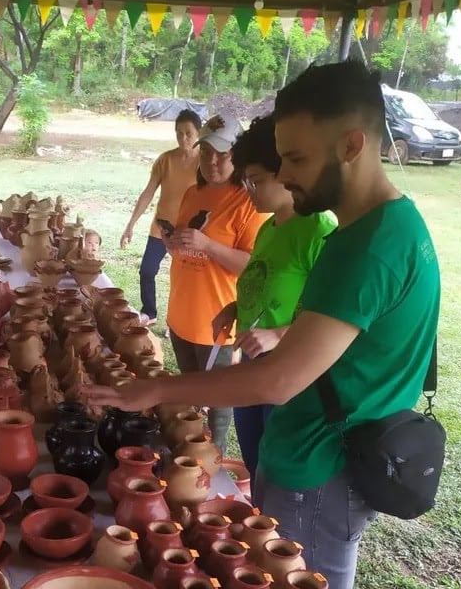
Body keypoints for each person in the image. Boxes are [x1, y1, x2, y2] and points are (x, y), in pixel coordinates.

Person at [85, 61, 440, 589]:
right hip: (334, 457)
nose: (287, 176)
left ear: (353, 144)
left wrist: (161, 386)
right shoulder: (396, 227)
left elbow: (278, 381)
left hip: (321, 467)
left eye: (299, 159)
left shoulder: (363, 245)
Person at [214, 115, 336, 489]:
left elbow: (331, 311)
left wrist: (279, 334)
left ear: (283, 174)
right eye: (246, 181)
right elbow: (263, 280)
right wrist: (235, 309)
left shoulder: (317, 229)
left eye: (256, 181)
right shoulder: (269, 226)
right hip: (253, 357)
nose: (249, 190)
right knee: (254, 454)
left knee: (276, 462)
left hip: (288, 367)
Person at [165, 114, 267, 454]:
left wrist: (208, 245)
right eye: (206, 150)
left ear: (237, 154)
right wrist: (175, 244)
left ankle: (215, 460)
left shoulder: (248, 202)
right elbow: (187, 243)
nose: (212, 160)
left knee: (219, 402)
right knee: (191, 395)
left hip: (216, 321)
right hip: (181, 313)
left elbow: (254, 266)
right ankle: (189, 454)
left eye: (222, 153)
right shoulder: (194, 193)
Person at [119, 109, 201, 325]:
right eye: (179, 133)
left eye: (188, 133)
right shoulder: (165, 160)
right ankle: (150, 313)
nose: (183, 138)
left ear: (199, 134)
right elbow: (148, 193)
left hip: (188, 231)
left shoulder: (205, 162)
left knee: (184, 278)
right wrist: (130, 225)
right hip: (161, 228)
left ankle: (179, 320)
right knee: (147, 270)